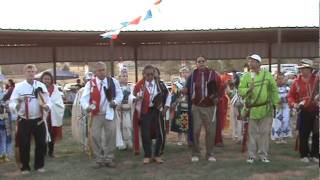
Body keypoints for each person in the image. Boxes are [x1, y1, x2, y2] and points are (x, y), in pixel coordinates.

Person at [9, 64, 51, 174]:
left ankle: (39, 165)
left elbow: (48, 100)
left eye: (33, 71)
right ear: (24, 73)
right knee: (24, 144)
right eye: (29, 71)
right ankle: (25, 167)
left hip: (39, 120)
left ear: (35, 72)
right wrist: (16, 105)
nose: (31, 73)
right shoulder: (18, 87)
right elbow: (12, 102)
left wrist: (47, 107)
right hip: (24, 121)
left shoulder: (41, 85)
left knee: (41, 143)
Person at [80, 62, 123, 169]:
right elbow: (84, 99)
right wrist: (87, 107)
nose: (101, 72)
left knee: (111, 136)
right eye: (99, 70)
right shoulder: (90, 84)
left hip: (109, 113)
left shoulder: (113, 81)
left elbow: (120, 94)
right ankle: (98, 159)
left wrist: (116, 102)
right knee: (95, 136)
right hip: (96, 114)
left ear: (106, 70)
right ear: (95, 72)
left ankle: (109, 158)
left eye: (103, 70)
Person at [238, 54, 280, 164]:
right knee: (252, 134)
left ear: (259, 63)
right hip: (252, 110)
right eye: (249, 61)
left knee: (264, 133)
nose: (250, 63)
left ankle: (263, 155)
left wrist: (275, 103)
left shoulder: (267, 75)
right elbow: (240, 90)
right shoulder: (245, 76)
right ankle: (251, 155)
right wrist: (248, 89)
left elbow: (274, 89)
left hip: (265, 109)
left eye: (253, 61)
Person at [184, 56, 223, 162]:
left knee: (210, 131)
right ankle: (196, 153)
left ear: (206, 62)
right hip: (196, 107)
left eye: (202, 61)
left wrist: (217, 98)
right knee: (195, 131)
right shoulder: (192, 75)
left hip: (210, 107)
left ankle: (210, 154)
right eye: (199, 61)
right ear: (196, 63)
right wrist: (184, 90)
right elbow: (186, 88)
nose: (201, 63)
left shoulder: (213, 74)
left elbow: (221, 88)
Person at [133, 65, 171, 164]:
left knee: (160, 133)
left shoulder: (160, 84)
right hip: (145, 111)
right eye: (147, 74)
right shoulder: (139, 85)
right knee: (145, 133)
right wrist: (136, 98)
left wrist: (166, 108)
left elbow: (168, 96)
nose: (149, 77)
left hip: (158, 110)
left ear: (154, 74)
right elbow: (131, 96)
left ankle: (157, 155)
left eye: (151, 74)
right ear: (143, 74)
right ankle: (147, 155)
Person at [287, 59, 319, 163]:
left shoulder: (317, 80)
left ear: (310, 69)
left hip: (316, 110)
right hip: (303, 110)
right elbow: (290, 96)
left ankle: (315, 155)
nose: (302, 71)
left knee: (316, 133)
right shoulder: (296, 82)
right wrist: (294, 104)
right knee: (303, 134)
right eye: (301, 69)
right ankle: (304, 154)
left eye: (304, 68)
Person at [40, 72, 65, 158]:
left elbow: (59, 101)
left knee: (51, 134)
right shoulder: (38, 88)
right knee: (41, 134)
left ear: (51, 80)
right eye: (45, 79)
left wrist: (50, 106)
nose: (46, 80)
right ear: (42, 79)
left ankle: (51, 151)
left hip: (52, 115)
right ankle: (42, 152)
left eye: (48, 79)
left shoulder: (55, 89)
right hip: (41, 115)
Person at [71, 72, 93, 151]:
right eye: (87, 80)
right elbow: (77, 103)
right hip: (84, 113)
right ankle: (86, 144)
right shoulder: (81, 91)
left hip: (94, 113)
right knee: (85, 129)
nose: (89, 81)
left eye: (90, 80)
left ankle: (94, 145)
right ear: (85, 81)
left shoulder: (96, 88)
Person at [115, 69, 135, 150]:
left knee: (128, 126)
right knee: (120, 127)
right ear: (119, 78)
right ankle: (121, 143)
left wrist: (133, 99)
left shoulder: (131, 87)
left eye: (126, 76)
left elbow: (133, 96)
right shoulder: (117, 88)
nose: (125, 77)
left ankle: (129, 141)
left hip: (128, 110)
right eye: (123, 76)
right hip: (120, 111)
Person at [170, 66, 190, 146]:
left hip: (188, 104)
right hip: (179, 105)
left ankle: (187, 139)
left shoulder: (190, 82)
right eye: (183, 72)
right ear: (180, 73)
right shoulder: (177, 84)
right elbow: (174, 94)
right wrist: (174, 102)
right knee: (179, 122)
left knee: (187, 122)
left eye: (186, 72)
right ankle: (180, 139)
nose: (185, 73)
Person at [271, 72, 292, 143]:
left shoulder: (287, 88)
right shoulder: (273, 89)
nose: (280, 80)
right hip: (277, 108)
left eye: (282, 79)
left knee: (285, 121)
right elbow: (271, 98)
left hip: (286, 107)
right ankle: (277, 137)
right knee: (277, 122)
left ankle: (283, 137)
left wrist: (285, 101)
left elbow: (290, 97)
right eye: (278, 79)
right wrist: (276, 102)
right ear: (275, 80)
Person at [0, 79, 13, 163]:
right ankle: (2, 154)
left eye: (2, 84)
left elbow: (10, 105)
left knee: (7, 137)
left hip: (6, 119)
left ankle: (6, 154)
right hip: (2, 118)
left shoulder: (6, 93)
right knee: (2, 138)